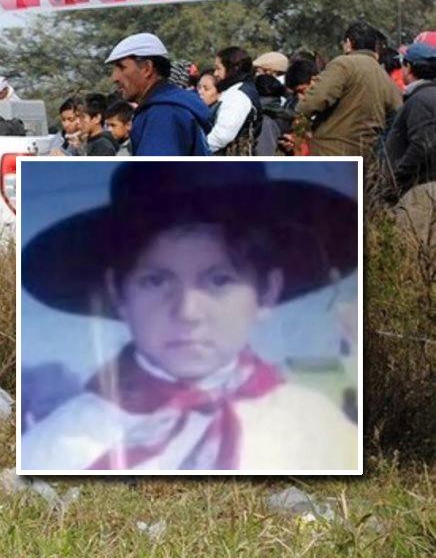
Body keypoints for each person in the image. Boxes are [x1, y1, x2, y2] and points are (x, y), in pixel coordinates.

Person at [20, 162, 359, 471]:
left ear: (266, 292)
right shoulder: (60, 447)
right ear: (118, 293)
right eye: (155, 281)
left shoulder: (319, 431)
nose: (187, 312)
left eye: (219, 280)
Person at [292, 21, 402, 157]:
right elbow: (397, 111)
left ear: (349, 43)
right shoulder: (383, 74)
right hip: (367, 153)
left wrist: (298, 117)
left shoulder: (343, 64)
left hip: (332, 152)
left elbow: (313, 101)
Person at [106, 33, 210, 156]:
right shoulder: (165, 107)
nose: (115, 77)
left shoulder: (163, 113)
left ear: (147, 68)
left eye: (121, 67)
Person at [383, 42, 436, 204]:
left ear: (409, 67)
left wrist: (397, 176)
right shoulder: (426, 95)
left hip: (416, 190)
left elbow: (421, 145)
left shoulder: (420, 101)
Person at [207, 47, 260, 155]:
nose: (215, 74)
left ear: (232, 69)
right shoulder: (236, 91)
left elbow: (221, 136)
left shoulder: (238, 96)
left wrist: (195, 151)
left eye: (218, 68)